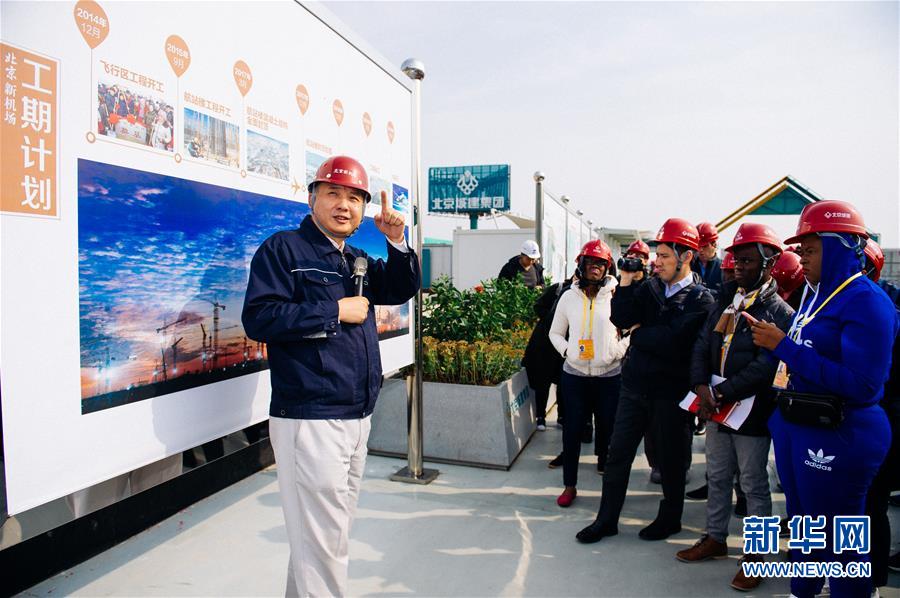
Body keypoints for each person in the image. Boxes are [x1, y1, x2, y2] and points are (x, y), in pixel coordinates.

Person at [242, 155, 420, 597]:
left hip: (356, 415)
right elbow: (260, 318)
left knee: (324, 536)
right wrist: (334, 310)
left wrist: (396, 241)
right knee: (324, 541)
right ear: (312, 199)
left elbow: (401, 288)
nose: (344, 205)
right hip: (311, 417)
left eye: (355, 198)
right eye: (333, 194)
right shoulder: (283, 250)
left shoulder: (356, 258)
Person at [749, 200, 897, 598]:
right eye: (801, 250)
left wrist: (784, 347)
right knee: (804, 523)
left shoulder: (867, 301)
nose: (802, 258)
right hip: (800, 423)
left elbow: (863, 385)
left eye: (811, 250)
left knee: (840, 538)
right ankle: (805, 588)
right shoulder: (815, 296)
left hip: (841, 431)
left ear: (839, 248)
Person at [576, 218, 715, 544]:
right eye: (658, 254)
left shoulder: (701, 300)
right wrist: (625, 281)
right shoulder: (649, 288)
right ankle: (606, 519)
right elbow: (621, 318)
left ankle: (670, 519)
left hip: (671, 394)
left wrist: (639, 335)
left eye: (665, 255)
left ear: (686, 257)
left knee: (671, 460)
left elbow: (675, 341)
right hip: (635, 387)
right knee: (618, 455)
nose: (658, 261)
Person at [675, 223, 794, 592]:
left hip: (750, 413)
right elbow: (701, 344)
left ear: (769, 263)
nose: (737, 266)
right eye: (735, 260)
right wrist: (701, 385)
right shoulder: (726, 301)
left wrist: (721, 391)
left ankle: (757, 558)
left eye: (746, 261)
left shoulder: (778, 312)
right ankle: (714, 538)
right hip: (716, 406)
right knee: (717, 475)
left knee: (754, 485)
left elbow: (767, 367)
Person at [549, 240, 629, 507]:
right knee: (572, 431)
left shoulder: (617, 295)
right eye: (590, 262)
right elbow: (555, 333)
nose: (595, 267)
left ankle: (605, 470)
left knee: (608, 428)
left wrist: (617, 351)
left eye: (600, 263)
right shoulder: (568, 297)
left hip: (609, 376)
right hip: (574, 376)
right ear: (581, 265)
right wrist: (568, 352)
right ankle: (569, 485)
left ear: (608, 267)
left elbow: (632, 330)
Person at [861, 239, 900, 592]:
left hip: (882, 421)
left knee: (872, 503)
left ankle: (870, 582)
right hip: (855, 421)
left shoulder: (884, 308)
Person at [522, 276, 573, 431]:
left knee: (563, 381)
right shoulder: (558, 288)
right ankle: (540, 416)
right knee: (542, 381)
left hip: (566, 344)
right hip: (545, 343)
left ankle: (562, 416)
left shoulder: (585, 294)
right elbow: (538, 306)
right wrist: (555, 320)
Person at [692, 221, 723, 296]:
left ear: (714, 245)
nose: (700, 250)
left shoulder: (724, 269)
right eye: (698, 246)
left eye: (704, 246)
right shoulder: (689, 267)